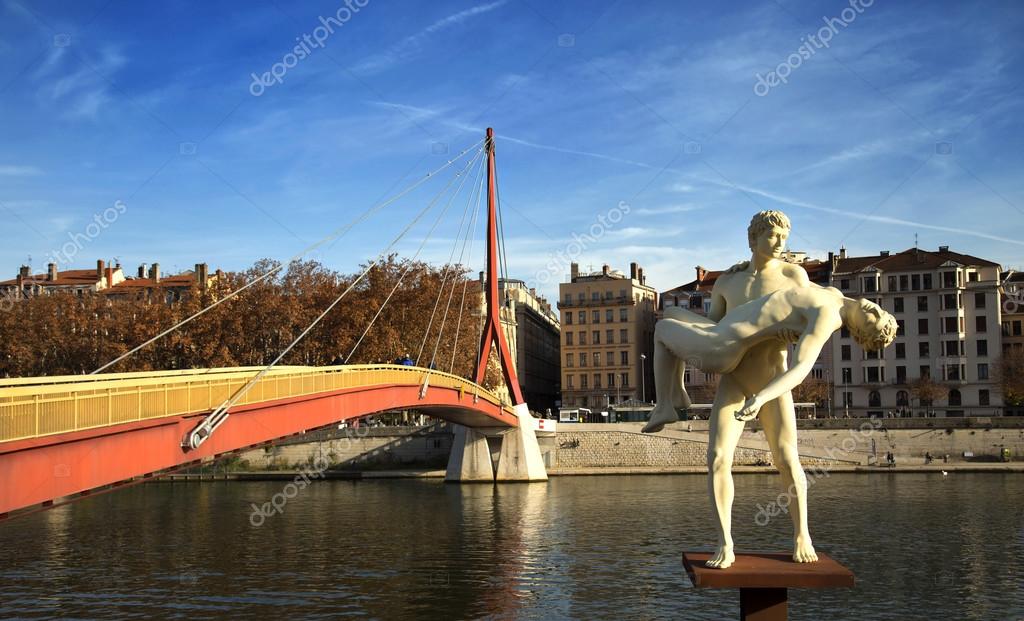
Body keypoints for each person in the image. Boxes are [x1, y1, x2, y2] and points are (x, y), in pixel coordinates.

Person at [645, 210, 897, 569]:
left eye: (784, 237)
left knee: (786, 458)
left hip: (771, 378)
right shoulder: (726, 283)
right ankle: (725, 542)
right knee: (717, 458)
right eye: (773, 236)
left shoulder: (795, 275)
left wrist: (788, 332)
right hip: (733, 374)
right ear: (753, 238)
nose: (781, 244)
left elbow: (803, 333)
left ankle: (802, 535)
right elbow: (715, 327)